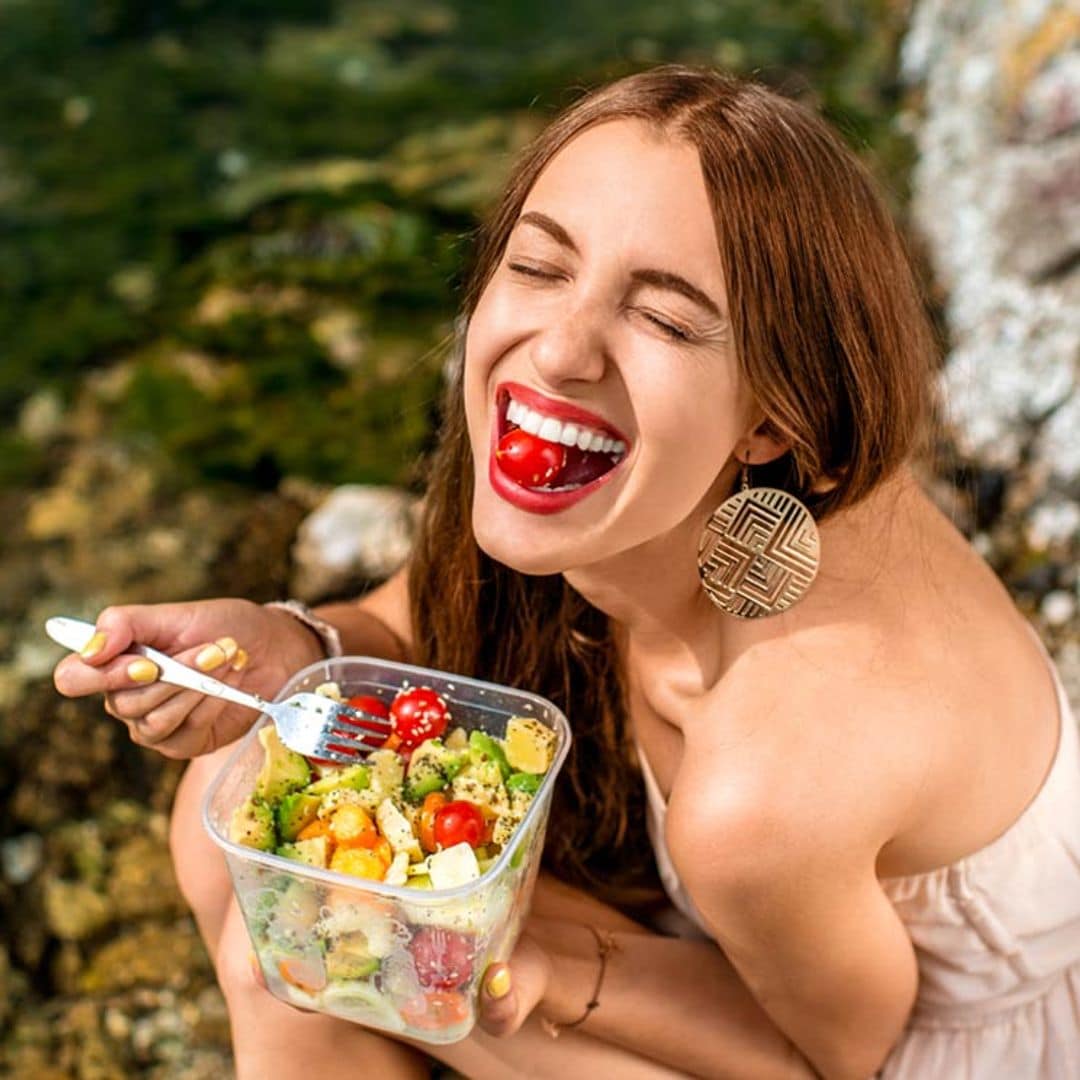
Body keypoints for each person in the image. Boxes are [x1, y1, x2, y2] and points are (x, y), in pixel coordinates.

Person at [53, 66, 1080, 1079]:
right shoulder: (691, 500)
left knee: (302, 936)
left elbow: (834, 1059)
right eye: (540, 269)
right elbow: (414, 624)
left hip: (909, 1052)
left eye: (667, 320)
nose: (559, 351)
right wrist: (300, 647)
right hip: (760, 948)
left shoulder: (775, 766)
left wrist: (545, 961)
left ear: (775, 417)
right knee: (232, 818)